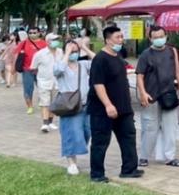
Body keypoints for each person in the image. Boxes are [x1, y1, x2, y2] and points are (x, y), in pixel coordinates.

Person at [88, 25, 142, 183]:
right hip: (103, 109)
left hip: (123, 108)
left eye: (121, 37)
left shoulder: (118, 57)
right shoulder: (100, 59)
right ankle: (97, 174)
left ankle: (129, 169)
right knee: (101, 141)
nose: (121, 40)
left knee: (128, 137)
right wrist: (108, 105)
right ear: (107, 40)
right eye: (117, 37)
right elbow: (98, 84)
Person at [136, 25, 179, 168]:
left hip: (169, 95)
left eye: (161, 36)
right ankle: (144, 156)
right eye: (156, 37)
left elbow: (178, 72)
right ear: (150, 39)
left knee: (170, 128)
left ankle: (169, 157)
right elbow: (139, 76)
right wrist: (143, 93)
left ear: (166, 36)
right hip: (151, 96)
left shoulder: (172, 51)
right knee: (150, 128)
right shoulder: (145, 55)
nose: (159, 39)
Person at [55, 39, 94, 175]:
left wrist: (84, 47)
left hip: (85, 105)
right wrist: (67, 53)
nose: (74, 54)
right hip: (69, 106)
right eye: (72, 51)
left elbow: (100, 61)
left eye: (76, 51)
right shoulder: (61, 65)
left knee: (86, 132)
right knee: (70, 134)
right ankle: (71, 163)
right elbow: (58, 70)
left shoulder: (83, 65)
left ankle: (75, 155)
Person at [31, 32, 63, 133]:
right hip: (44, 81)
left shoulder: (60, 52)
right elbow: (33, 68)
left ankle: (50, 121)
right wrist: (40, 77)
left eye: (57, 40)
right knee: (45, 103)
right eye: (54, 40)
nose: (56, 42)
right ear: (48, 41)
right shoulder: (40, 54)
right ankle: (45, 123)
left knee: (54, 103)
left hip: (57, 81)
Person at [17, 27, 47, 115]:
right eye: (30, 32)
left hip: (41, 70)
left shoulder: (44, 44)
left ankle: (44, 104)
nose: (32, 34)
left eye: (34, 32)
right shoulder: (24, 43)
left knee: (43, 88)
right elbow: (17, 54)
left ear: (39, 33)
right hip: (27, 70)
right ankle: (29, 106)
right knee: (28, 89)